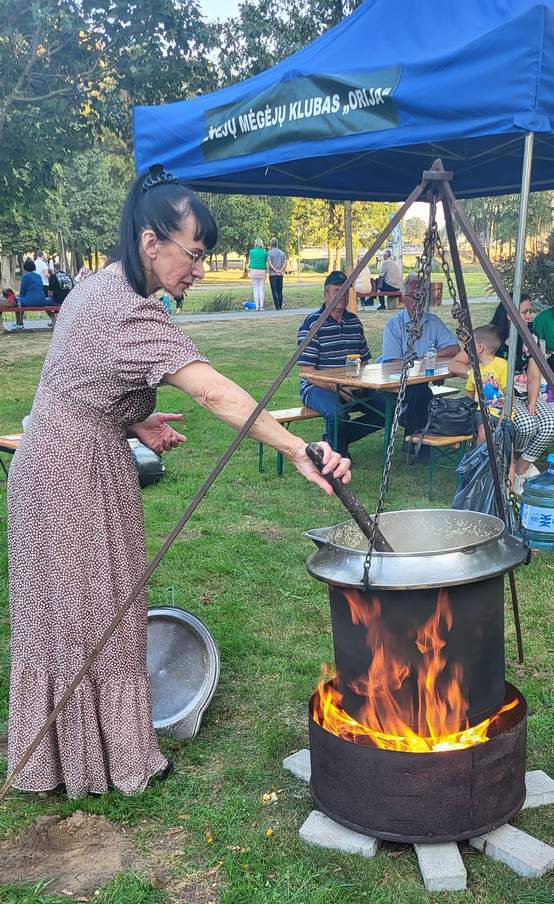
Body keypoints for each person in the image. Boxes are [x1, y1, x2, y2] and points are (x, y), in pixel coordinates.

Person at [7, 166, 351, 798]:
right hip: (72, 476)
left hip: (54, 462)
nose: (197, 269)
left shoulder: (96, 287)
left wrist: (133, 417)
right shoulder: (134, 315)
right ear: (150, 243)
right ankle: (102, 763)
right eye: (192, 254)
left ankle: (68, 759)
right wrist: (299, 448)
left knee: (73, 616)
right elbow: (217, 393)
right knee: (91, 616)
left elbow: (81, 372)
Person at [456, 299, 554, 493]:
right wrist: (476, 375)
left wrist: (533, 401)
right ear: (510, 314)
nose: (529, 316)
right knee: (526, 425)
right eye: (525, 312)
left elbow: (534, 375)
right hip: (504, 396)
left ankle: (521, 468)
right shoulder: (491, 337)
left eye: (529, 312)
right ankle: (511, 460)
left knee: (550, 422)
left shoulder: (529, 337)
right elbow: (457, 363)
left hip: (526, 392)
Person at [297, 270, 387, 456]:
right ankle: (337, 458)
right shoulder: (312, 324)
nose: (342, 296)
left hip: (353, 385)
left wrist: (359, 385)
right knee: (336, 414)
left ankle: (338, 438)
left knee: (388, 409)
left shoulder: (354, 322)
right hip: (317, 387)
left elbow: (364, 362)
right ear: (326, 294)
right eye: (337, 290)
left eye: (345, 291)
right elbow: (307, 372)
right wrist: (336, 387)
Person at [381, 273, 459, 434]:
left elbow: (454, 348)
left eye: (421, 296)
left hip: (422, 379)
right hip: (396, 383)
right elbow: (392, 363)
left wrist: (427, 358)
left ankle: (418, 440)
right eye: (413, 296)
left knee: (422, 392)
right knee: (421, 393)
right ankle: (414, 442)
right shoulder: (394, 325)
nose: (417, 301)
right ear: (403, 297)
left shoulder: (433, 321)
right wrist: (425, 361)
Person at [450, 325, 507, 445]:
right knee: (483, 433)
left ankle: (507, 463)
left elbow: (509, 394)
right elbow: (470, 394)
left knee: (505, 440)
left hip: (502, 412)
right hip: (481, 411)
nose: (468, 349)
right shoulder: (475, 369)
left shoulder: (502, 365)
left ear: (480, 348)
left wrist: (504, 416)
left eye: (471, 345)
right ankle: (477, 460)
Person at [15, 258, 46, 328]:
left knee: (18, 301)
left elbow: (22, 292)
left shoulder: (25, 277)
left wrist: (19, 296)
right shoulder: (39, 276)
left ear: (25, 268)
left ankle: (19, 322)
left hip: (31, 301)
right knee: (22, 299)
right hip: (42, 300)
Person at [266, 237, 287, 310]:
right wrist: (280, 270)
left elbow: (269, 263)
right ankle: (281, 305)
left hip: (272, 274)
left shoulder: (269, 253)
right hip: (280, 274)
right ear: (277, 244)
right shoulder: (282, 253)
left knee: (274, 290)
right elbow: (285, 263)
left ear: (271, 244)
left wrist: (275, 271)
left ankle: (277, 306)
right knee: (280, 290)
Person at [247, 238, 267, 310]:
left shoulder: (251, 251)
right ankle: (261, 306)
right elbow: (266, 261)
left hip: (253, 270)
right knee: (261, 288)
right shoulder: (264, 252)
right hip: (262, 270)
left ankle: (257, 306)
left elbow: (250, 260)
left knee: (255, 289)